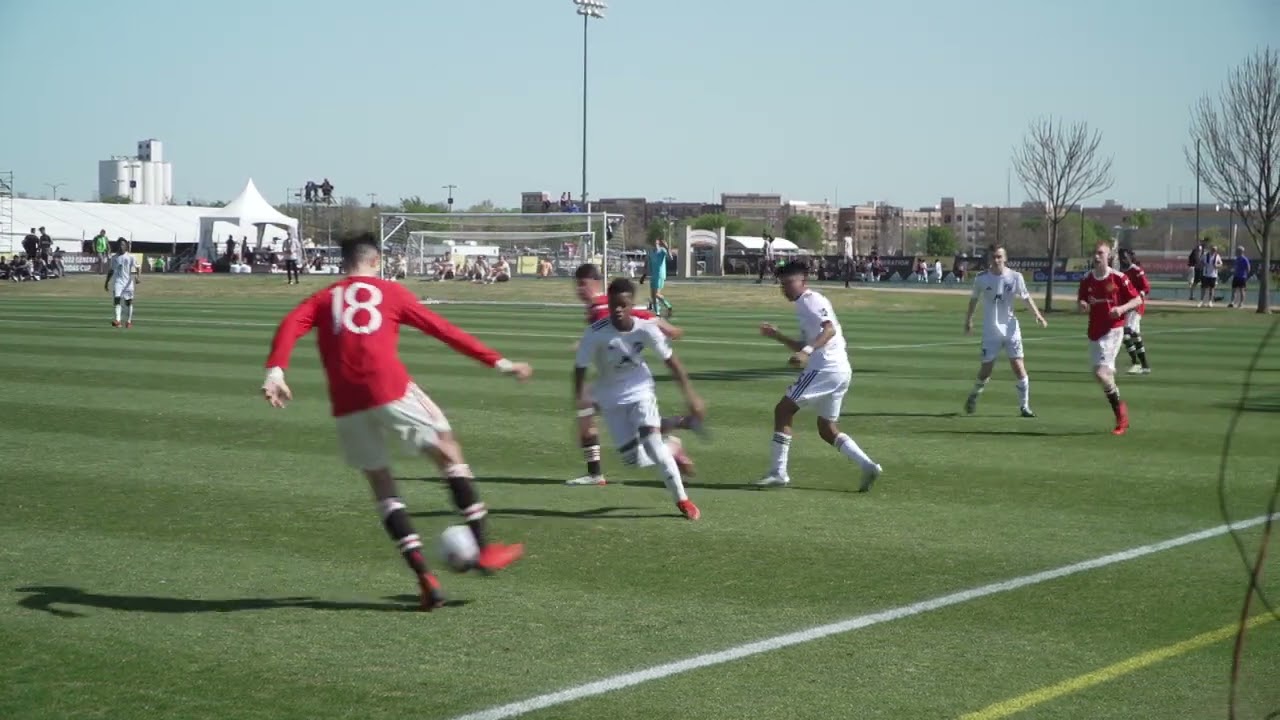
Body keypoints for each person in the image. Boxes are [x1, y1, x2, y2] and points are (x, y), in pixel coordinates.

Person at [260, 233, 531, 611]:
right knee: (448, 451)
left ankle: (424, 577)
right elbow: (444, 331)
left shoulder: (325, 297)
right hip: (390, 388)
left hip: (346, 402)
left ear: (345, 264)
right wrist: (500, 363)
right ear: (376, 260)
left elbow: (291, 324)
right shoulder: (391, 292)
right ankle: (484, 549)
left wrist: (276, 371)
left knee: (382, 484)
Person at [573, 278, 704, 520]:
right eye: (613, 305)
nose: (618, 310)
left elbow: (672, 363)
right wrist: (582, 409)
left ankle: (682, 500)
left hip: (641, 391)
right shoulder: (595, 333)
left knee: (653, 445)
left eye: (623, 305)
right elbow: (579, 370)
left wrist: (691, 396)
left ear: (632, 304)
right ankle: (672, 446)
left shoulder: (645, 329)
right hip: (611, 399)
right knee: (633, 460)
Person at [756, 261, 882, 490]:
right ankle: (868, 466)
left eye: (789, 283)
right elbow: (806, 342)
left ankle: (778, 472)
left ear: (803, 281)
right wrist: (778, 336)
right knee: (827, 429)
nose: (785, 288)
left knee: (783, 409)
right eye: (782, 284)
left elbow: (829, 329)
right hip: (840, 369)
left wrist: (806, 352)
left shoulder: (810, 300)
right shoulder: (804, 305)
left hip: (825, 367)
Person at [963, 245, 1047, 417]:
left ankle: (1025, 406)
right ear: (989, 259)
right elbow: (973, 300)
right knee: (986, 370)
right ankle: (974, 395)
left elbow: (1026, 297)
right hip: (990, 330)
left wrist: (1037, 315)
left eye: (999, 257)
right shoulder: (981, 279)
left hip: (1011, 328)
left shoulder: (1015, 277)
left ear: (1005, 258)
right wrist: (969, 319)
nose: (996, 260)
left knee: (1018, 366)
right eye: (993, 257)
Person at [1077, 242, 1142, 435]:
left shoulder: (1119, 278)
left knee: (1101, 374)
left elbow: (1138, 299)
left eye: (1100, 253)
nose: (1096, 257)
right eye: (1094, 253)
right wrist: (1082, 305)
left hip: (1113, 330)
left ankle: (1121, 415)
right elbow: (1081, 299)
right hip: (1095, 331)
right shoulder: (1087, 279)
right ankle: (1121, 414)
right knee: (1103, 376)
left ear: (1109, 256)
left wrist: (1121, 309)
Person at [1118, 248, 1152, 374]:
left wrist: (1138, 296)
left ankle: (1135, 363)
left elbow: (1146, 287)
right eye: (1121, 257)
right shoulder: (1120, 272)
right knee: (1135, 336)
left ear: (1130, 257)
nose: (1122, 259)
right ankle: (1145, 365)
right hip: (1125, 307)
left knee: (1126, 334)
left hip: (1135, 307)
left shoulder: (1136, 270)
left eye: (1124, 257)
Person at [105, 239, 139, 328]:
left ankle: (128, 321)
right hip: (118, 281)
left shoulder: (131, 257)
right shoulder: (114, 257)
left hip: (128, 282)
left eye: (123, 245)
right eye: (120, 245)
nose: (121, 246)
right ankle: (118, 320)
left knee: (128, 302)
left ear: (126, 246)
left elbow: (138, 267)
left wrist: (137, 277)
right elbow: (111, 270)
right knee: (117, 299)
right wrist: (106, 282)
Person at [647, 237, 673, 317]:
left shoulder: (662, 250)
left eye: (656, 242)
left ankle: (668, 306)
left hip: (660, 275)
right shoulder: (651, 252)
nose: (655, 244)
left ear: (658, 243)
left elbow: (670, 258)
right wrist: (647, 273)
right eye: (654, 243)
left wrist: (667, 248)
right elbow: (649, 262)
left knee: (657, 294)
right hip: (653, 275)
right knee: (653, 295)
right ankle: (657, 313)